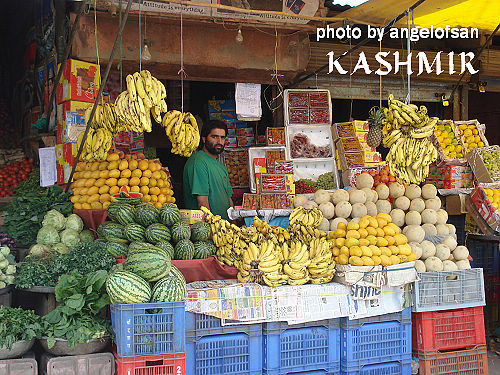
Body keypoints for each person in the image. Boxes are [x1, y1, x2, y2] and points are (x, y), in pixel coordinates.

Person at [183, 120, 233, 220]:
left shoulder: (220, 166)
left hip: (226, 230)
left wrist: (233, 223)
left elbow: (228, 198)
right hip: (210, 230)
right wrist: (214, 229)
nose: (219, 142)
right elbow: (202, 203)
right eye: (214, 137)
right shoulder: (198, 162)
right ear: (204, 139)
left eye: (222, 137)